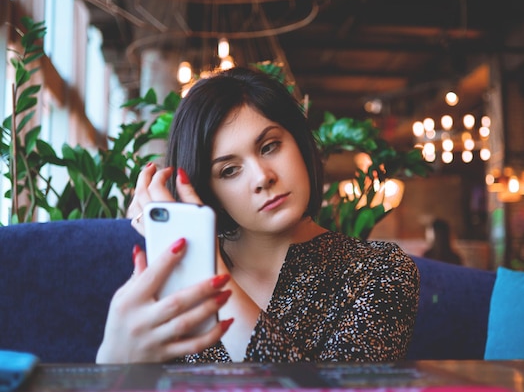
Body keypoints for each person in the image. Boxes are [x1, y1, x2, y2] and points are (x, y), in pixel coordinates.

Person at [96, 66, 420, 364]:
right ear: (208, 191)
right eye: (230, 170)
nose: (262, 176)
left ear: (300, 142)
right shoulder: (172, 279)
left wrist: (213, 274)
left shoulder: (379, 271)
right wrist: (113, 359)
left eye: (269, 147)